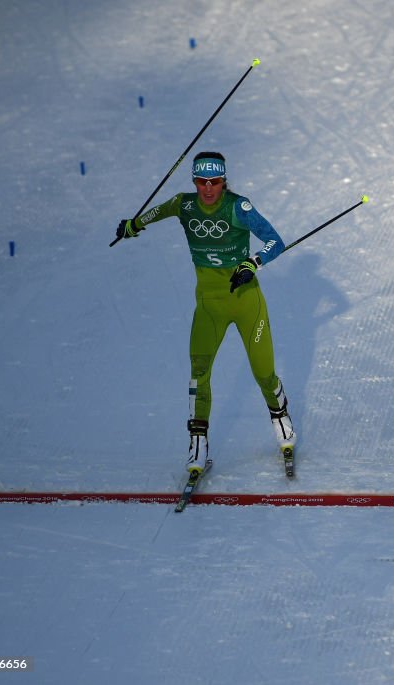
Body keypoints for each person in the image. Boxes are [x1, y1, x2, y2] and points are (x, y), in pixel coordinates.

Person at [115, 151, 296, 473]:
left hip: (245, 302)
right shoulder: (183, 205)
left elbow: (275, 241)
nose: (208, 189)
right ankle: (198, 444)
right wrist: (133, 224)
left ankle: (279, 413)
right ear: (195, 182)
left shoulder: (238, 207)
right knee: (199, 374)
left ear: (224, 182)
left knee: (263, 373)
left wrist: (252, 263)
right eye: (201, 182)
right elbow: (156, 212)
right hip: (209, 305)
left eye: (215, 182)